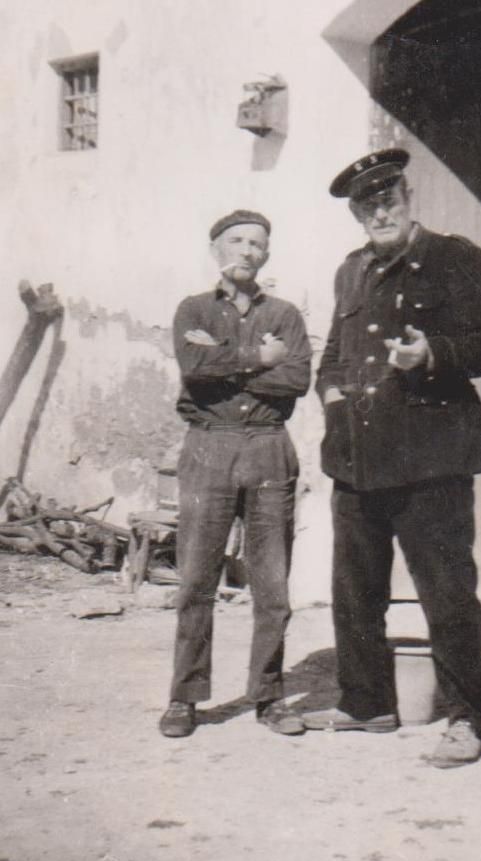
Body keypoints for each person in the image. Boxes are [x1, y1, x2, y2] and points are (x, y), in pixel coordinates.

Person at [302, 149, 481, 768]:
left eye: (388, 197)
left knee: (446, 593)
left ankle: (469, 721)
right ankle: (367, 703)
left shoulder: (455, 257)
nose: (379, 211)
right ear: (356, 214)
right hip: (357, 458)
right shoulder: (350, 271)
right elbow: (335, 353)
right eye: (366, 204)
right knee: (354, 590)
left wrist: (432, 354)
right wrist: (334, 399)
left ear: (407, 195)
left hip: (432, 458)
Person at [159, 209, 312, 738]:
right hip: (209, 448)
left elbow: (295, 380)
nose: (248, 251)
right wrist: (255, 358)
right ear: (217, 249)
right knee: (197, 582)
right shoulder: (193, 309)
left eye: (257, 244)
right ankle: (184, 698)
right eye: (238, 241)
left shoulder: (287, 316)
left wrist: (226, 361)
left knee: (272, 586)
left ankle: (269, 697)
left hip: (269, 449)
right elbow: (194, 371)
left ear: (266, 254)